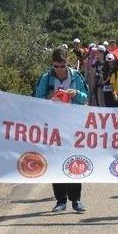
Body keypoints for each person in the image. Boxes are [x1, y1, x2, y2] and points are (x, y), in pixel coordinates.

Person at [34, 48, 90, 213]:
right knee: (56, 162)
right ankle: (60, 200)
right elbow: (37, 99)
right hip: (53, 125)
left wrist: (76, 93)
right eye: (56, 66)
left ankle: (76, 199)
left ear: (68, 63)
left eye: (62, 65)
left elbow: (86, 97)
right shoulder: (46, 78)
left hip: (73, 124)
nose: (59, 69)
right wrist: (50, 97)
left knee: (74, 161)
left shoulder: (76, 76)